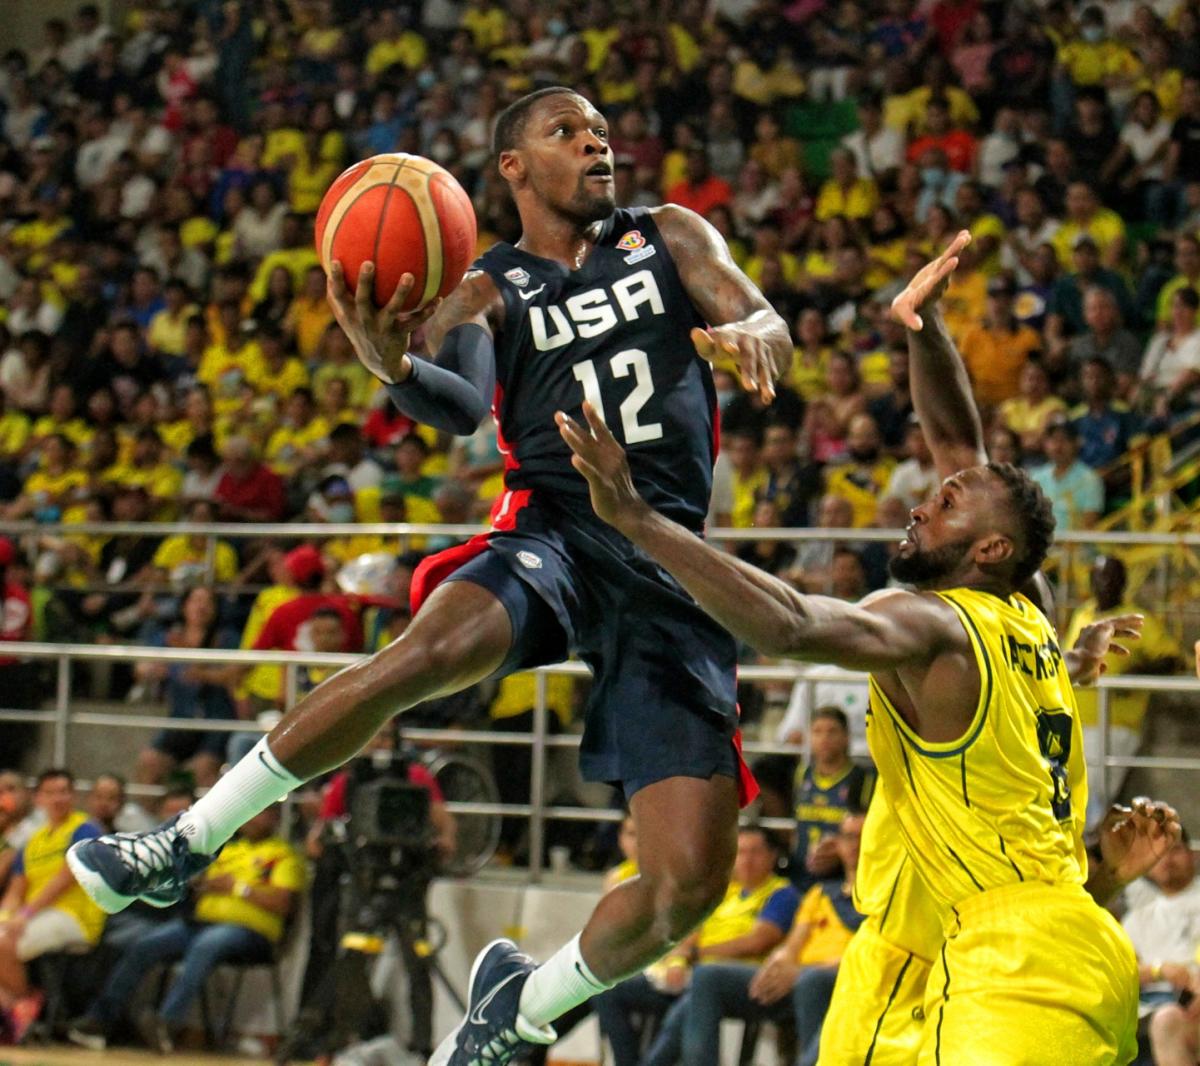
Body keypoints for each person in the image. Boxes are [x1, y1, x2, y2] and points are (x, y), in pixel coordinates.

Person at [67, 86, 792, 1066]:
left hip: (671, 563)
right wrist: (396, 369)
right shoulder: (489, 286)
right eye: (565, 131)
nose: (595, 143)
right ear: (511, 168)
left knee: (686, 885)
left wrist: (758, 337)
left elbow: (760, 312)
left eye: (602, 132)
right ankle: (183, 841)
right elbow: (457, 405)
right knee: (432, 650)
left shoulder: (668, 235)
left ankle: (521, 1003)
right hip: (559, 533)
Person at [557, 231, 1180, 1064]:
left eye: (946, 506)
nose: (921, 504)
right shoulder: (1027, 613)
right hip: (944, 948)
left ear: (988, 552)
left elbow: (792, 623)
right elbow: (966, 452)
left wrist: (637, 518)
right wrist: (922, 328)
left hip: (1010, 958)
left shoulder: (932, 623)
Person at [67, 805, 304, 1054]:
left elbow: (284, 905)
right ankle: (99, 1019)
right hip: (200, 923)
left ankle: (166, 1023)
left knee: (207, 946)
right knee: (147, 943)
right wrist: (199, 884)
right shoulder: (227, 849)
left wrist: (238, 888)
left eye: (262, 812)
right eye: (251, 811)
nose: (253, 818)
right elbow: (197, 883)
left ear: (275, 818)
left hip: (250, 932)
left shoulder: (284, 855)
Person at [672, 810, 867, 1066]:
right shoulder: (820, 893)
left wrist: (804, 971)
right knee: (707, 976)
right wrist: (783, 961)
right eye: (848, 837)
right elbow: (792, 944)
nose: (855, 845)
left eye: (862, 836)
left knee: (813, 981)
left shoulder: (885, 896)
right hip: (794, 978)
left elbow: (873, 953)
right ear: (837, 843)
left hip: (838, 981)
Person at [596, 825, 797, 1066]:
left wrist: (698, 954)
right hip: (694, 974)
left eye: (755, 852)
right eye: (740, 852)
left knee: (695, 996)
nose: (746, 860)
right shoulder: (723, 890)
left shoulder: (781, 893)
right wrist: (678, 962)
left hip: (737, 979)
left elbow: (758, 941)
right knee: (608, 989)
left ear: (773, 856)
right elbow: (690, 936)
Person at [1064, 557, 1181, 829]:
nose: (1105, 583)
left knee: (1096, 794)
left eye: (1112, 577)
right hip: (1078, 721)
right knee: (1076, 790)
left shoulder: (1136, 618)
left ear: (1123, 583)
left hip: (1116, 723)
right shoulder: (1083, 614)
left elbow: (1172, 659)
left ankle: (1093, 855)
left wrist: (1135, 673)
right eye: (1100, 577)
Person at [0, 769, 105, 1041]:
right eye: (50, 792)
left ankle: (23, 1005)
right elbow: (16, 889)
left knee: (4, 944)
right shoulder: (33, 840)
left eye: (64, 791)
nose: (58, 798)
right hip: (35, 915)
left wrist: (23, 914)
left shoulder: (85, 829)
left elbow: (64, 879)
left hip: (75, 917)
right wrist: (6, 915)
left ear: (73, 795)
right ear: (38, 799)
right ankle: (17, 1005)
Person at [1127, 832, 1200, 1066]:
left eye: (1175, 850)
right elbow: (1117, 975)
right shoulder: (1135, 920)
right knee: (1166, 1019)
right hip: (1158, 1010)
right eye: (1158, 855)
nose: (1167, 859)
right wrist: (1159, 971)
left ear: (1192, 854)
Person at [788, 707, 874, 893]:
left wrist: (839, 850)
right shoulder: (803, 774)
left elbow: (869, 830)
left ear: (846, 737)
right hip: (800, 874)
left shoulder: (862, 778)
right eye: (817, 731)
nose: (824, 739)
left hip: (841, 877)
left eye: (832, 731)